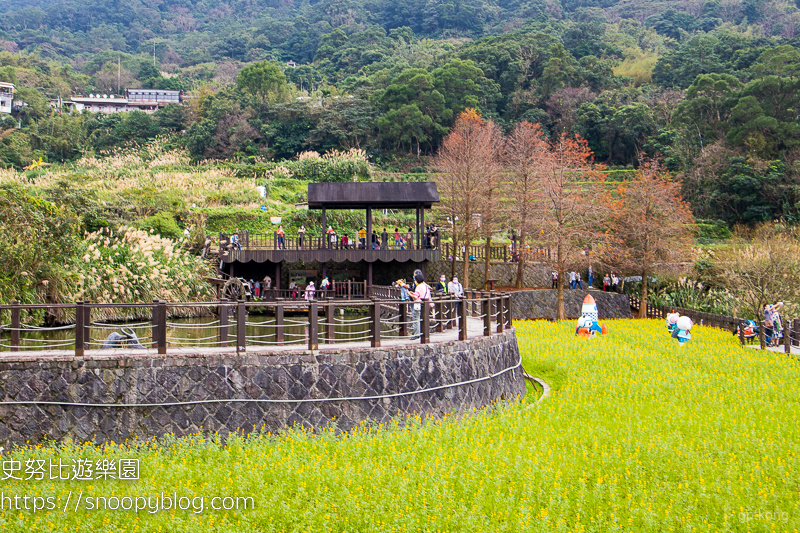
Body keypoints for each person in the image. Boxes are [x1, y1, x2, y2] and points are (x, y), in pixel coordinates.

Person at [409, 272, 432, 340]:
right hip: (424, 304)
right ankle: (424, 333)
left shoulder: (418, 287)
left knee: (416, 319)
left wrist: (409, 294)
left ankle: (417, 334)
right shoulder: (425, 286)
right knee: (423, 319)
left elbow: (416, 297)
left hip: (418, 304)